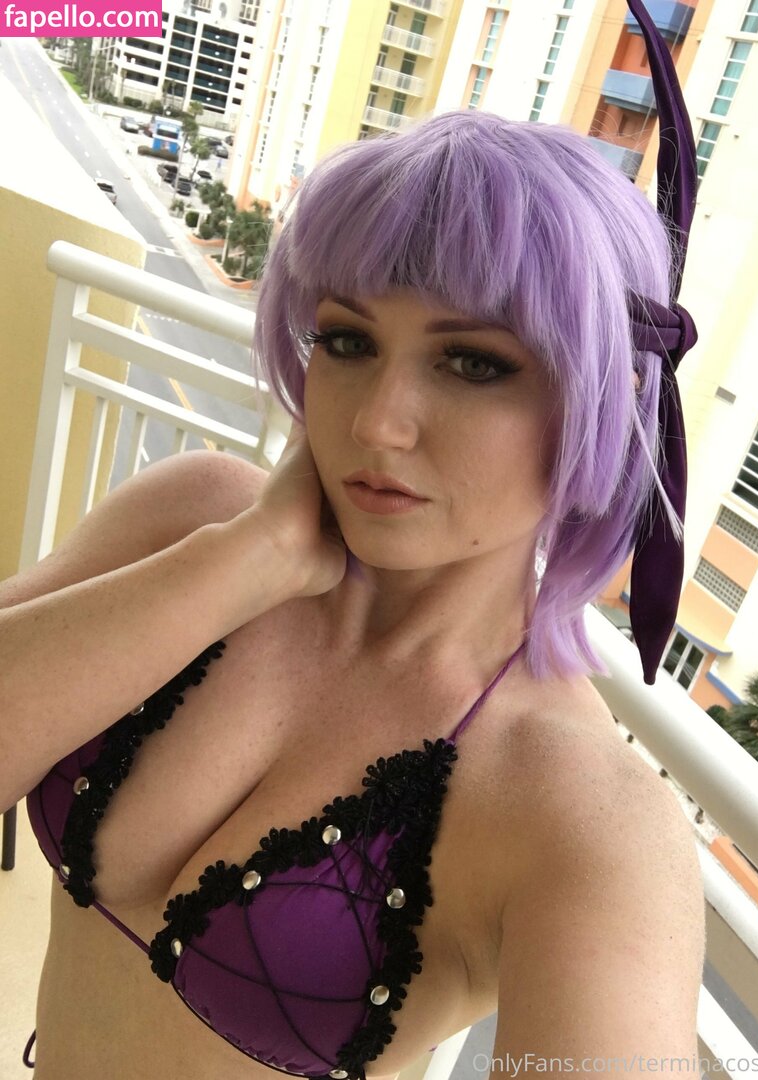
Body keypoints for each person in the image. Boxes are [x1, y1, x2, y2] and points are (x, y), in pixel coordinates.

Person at [1, 4, 706, 1078]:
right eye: (347, 340)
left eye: (474, 362)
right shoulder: (193, 519)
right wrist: (248, 560)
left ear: (603, 403)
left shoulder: (579, 811)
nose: (377, 424)